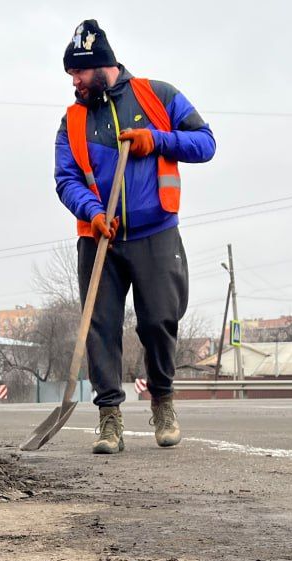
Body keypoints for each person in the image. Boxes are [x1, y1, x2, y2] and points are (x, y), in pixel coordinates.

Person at [54, 19, 216, 454]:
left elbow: (205, 143)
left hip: (155, 232)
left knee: (159, 321)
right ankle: (109, 419)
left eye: (79, 72)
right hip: (99, 238)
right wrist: (92, 213)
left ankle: (162, 401)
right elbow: (65, 179)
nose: (74, 81)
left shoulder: (157, 95)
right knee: (100, 327)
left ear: (102, 65)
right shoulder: (72, 121)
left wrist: (155, 140)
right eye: (70, 74)